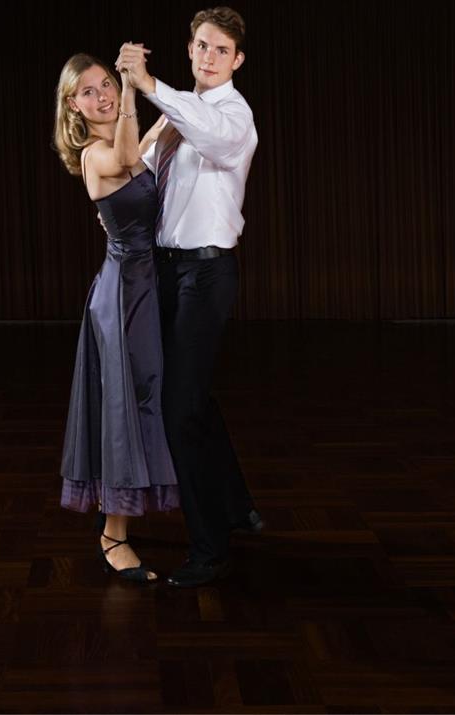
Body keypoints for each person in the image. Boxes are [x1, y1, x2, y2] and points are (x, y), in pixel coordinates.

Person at [114, 6, 260, 588]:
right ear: (190, 47)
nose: (207, 56)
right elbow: (136, 175)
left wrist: (150, 86)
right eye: (200, 45)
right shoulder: (174, 119)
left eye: (220, 50)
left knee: (180, 409)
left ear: (237, 60)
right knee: (193, 396)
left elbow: (214, 139)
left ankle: (209, 547)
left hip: (206, 274)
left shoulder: (232, 115)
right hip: (168, 274)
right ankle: (236, 506)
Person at [54, 54, 179, 582]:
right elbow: (131, 152)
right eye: (89, 92)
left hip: (148, 285)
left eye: (106, 83)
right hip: (123, 294)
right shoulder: (93, 155)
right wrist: (132, 90)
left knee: (153, 399)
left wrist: (189, 97)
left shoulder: (128, 144)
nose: (102, 95)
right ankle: (113, 535)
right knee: (125, 408)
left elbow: (154, 139)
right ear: (73, 107)